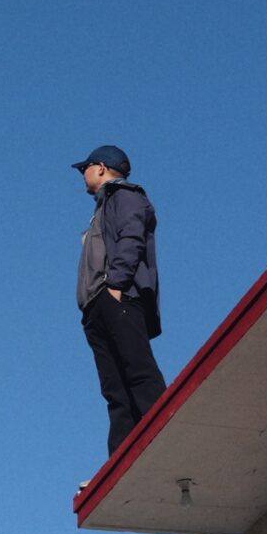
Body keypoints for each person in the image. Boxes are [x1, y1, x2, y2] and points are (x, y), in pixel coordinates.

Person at [73, 146, 165, 454]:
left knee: (138, 371)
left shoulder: (126, 196)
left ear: (100, 168)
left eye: (85, 167)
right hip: (97, 305)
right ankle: (122, 459)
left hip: (118, 297)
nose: (82, 174)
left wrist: (116, 285)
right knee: (115, 389)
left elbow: (131, 238)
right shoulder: (104, 206)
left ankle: (164, 438)